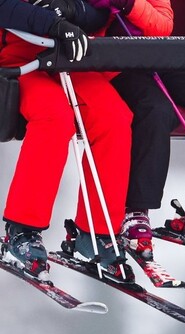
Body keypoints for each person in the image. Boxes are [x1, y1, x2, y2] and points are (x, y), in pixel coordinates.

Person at [85, 0, 185, 260]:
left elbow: (163, 24)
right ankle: (136, 210)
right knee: (155, 110)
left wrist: (129, 5)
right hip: (115, 65)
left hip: (163, 59)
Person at [0, 0, 133, 279]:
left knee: (114, 118)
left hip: (72, 59)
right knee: (54, 118)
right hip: (20, 60)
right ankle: (22, 228)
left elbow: (101, 11)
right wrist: (51, 22)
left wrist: (73, 11)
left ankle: (95, 232)